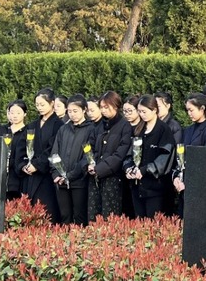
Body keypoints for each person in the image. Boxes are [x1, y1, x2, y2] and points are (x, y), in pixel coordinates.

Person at [123, 94, 175, 219]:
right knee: (139, 222)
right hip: (137, 186)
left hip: (155, 188)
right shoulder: (139, 129)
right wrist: (128, 168)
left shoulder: (163, 130)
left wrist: (145, 170)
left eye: (144, 111)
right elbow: (130, 153)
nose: (141, 115)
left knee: (153, 223)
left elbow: (165, 158)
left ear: (154, 110)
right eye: (139, 111)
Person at [17, 88, 64, 224]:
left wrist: (37, 165)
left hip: (46, 176)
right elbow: (21, 147)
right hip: (29, 175)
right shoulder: (32, 125)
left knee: (46, 213)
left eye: (42, 104)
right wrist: (23, 165)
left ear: (52, 103)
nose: (39, 107)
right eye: (37, 105)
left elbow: (53, 148)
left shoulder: (58, 125)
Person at [86, 91, 133, 222]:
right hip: (94, 175)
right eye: (101, 107)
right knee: (93, 216)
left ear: (116, 106)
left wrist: (100, 168)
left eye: (106, 107)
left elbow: (120, 153)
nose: (103, 110)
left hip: (112, 177)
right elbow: (90, 147)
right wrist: (90, 163)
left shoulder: (124, 126)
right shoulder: (98, 126)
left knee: (110, 217)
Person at [172, 92, 206, 217]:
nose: (189, 113)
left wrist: (189, 183)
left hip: (200, 189)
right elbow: (181, 155)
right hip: (184, 185)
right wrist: (177, 176)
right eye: (187, 110)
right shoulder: (188, 130)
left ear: (202, 108)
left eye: (191, 110)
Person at [50, 94, 95, 226]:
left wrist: (70, 175)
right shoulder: (63, 129)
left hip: (79, 180)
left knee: (79, 216)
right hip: (61, 181)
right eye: (69, 111)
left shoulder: (90, 129)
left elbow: (87, 156)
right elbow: (54, 153)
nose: (72, 114)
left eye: (75, 111)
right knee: (65, 216)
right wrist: (56, 174)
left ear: (84, 110)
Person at [4, 100, 28, 201]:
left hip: (19, 178)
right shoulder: (3, 130)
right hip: (2, 177)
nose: (15, 116)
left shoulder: (28, 131)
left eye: (18, 113)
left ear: (25, 114)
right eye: (12, 112)